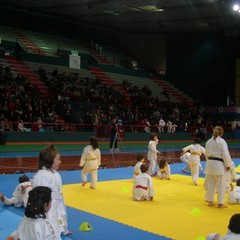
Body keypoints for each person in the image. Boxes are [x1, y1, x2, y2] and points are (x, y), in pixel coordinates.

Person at [31, 144, 71, 238]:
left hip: (53, 213)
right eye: (58, 159)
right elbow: (40, 204)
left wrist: (63, 228)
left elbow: (60, 205)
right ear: (49, 160)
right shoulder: (42, 177)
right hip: (46, 216)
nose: (60, 162)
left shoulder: (54, 174)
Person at [205, 126, 232, 208]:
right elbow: (225, 154)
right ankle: (220, 203)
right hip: (218, 164)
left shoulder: (208, 142)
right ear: (222, 133)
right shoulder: (221, 141)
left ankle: (210, 201)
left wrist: (209, 162)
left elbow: (206, 153)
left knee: (210, 183)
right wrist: (228, 165)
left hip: (209, 163)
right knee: (221, 184)